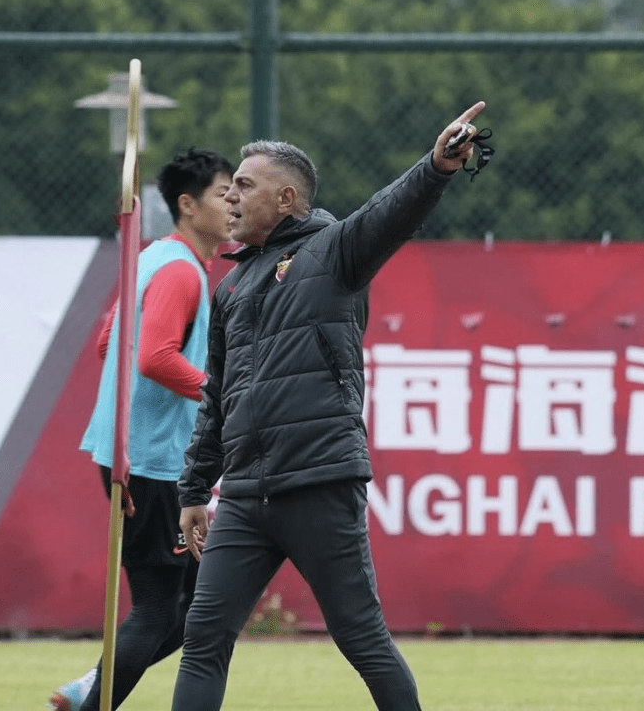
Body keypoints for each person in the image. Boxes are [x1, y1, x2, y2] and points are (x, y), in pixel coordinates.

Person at [171, 102, 489, 711]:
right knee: (202, 639)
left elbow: (389, 212)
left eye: (244, 185)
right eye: (229, 186)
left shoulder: (334, 251)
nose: (229, 196)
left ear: (286, 199)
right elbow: (216, 396)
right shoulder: (230, 287)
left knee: (361, 639)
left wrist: (436, 166)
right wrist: (193, 490)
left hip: (318, 482)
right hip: (244, 495)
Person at [48, 147, 235, 711]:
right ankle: (92, 697)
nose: (234, 204)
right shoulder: (179, 271)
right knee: (162, 611)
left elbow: (110, 343)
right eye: (224, 194)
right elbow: (153, 357)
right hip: (154, 463)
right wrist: (223, 396)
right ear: (188, 204)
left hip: (137, 455)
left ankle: (91, 685)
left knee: (192, 608)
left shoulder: (156, 258)